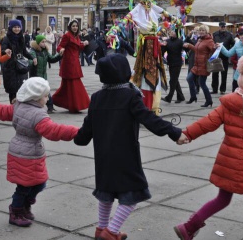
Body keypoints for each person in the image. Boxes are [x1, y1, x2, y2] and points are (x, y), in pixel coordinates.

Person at [74, 54, 187, 240]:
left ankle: (101, 229)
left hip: (103, 155)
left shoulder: (96, 97)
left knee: (106, 191)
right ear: (125, 72)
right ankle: (110, 232)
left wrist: (79, 138)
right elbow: (148, 118)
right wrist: (173, 132)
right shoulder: (130, 95)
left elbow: (88, 126)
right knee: (134, 192)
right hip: (126, 154)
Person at [174, 55, 243, 240]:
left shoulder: (229, 105)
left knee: (222, 199)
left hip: (227, 162)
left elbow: (207, 122)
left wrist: (187, 134)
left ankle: (189, 227)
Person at [0, 77, 79, 227]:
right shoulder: (37, 115)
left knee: (39, 183)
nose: (48, 98)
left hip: (23, 151)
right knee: (24, 186)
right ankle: (16, 210)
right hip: (26, 154)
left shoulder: (19, 106)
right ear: (36, 98)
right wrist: (77, 132)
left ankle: (25, 205)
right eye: (46, 96)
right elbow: (53, 131)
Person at [52, 19, 90, 113]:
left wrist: (84, 44)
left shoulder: (76, 36)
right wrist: (61, 50)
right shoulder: (67, 35)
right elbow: (59, 47)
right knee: (73, 85)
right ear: (70, 27)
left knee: (67, 87)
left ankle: (55, 101)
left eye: (76, 26)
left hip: (75, 62)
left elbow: (77, 47)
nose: (75, 28)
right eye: (73, 26)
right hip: (68, 63)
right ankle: (75, 106)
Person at [1, 19, 36, 103]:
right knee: (12, 91)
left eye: (18, 27)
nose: (17, 29)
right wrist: (5, 51)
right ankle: (12, 110)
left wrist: (32, 57)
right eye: (14, 27)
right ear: (11, 28)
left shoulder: (22, 38)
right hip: (10, 67)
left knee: (21, 90)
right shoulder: (6, 38)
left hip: (20, 67)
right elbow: (1, 50)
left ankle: (19, 110)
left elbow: (24, 51)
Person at [183, 25, 216, 107]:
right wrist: (190, 46)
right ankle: (193, 97)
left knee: (202, 83)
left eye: (203, 30)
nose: (201, 32)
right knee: (189, 79)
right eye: (200, 30)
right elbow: (197, 50)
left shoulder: (209, 41)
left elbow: (214, 50)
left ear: (206, 32)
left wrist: (216, 47)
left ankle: (209, 101)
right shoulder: (200, 39)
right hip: (196, 65)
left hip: (204, 65)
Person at [29, 35, 62, 113]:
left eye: (45, 42)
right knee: (36, 93)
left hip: (43, 76)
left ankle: (50, 107)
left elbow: (51, 59)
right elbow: (30, 61)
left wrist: (60, 55)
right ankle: (33, 107)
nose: (44, 43)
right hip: (35, 75)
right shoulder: (33, 51)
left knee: (46, 91)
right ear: (37, 43)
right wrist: (33, 61)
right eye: (42, 42)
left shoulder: (45, 51)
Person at [161, 30, 185, 103]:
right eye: (171, 32)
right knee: (174, 80)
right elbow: (162, 51)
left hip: (177, 63)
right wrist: (163, 45)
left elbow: (185, 49)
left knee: (172, 81)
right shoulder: (167, 41)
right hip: (170, 63)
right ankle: (181, 97)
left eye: (174, 32)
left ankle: (169, 97)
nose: (172, 33)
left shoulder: (180, 41)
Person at [211, 21, 234, 94]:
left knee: (224, 74)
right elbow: (211, 43)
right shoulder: (214, 34)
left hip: (225, 57)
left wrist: (229, 52)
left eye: (224, 26)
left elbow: (233, 45)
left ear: (225, 27)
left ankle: (222, 89)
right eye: (221, 26)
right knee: (215, 74)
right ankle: (214, 89)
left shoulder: (229, 35)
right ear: (219, 26)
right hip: (216, 56)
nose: (223, 27)